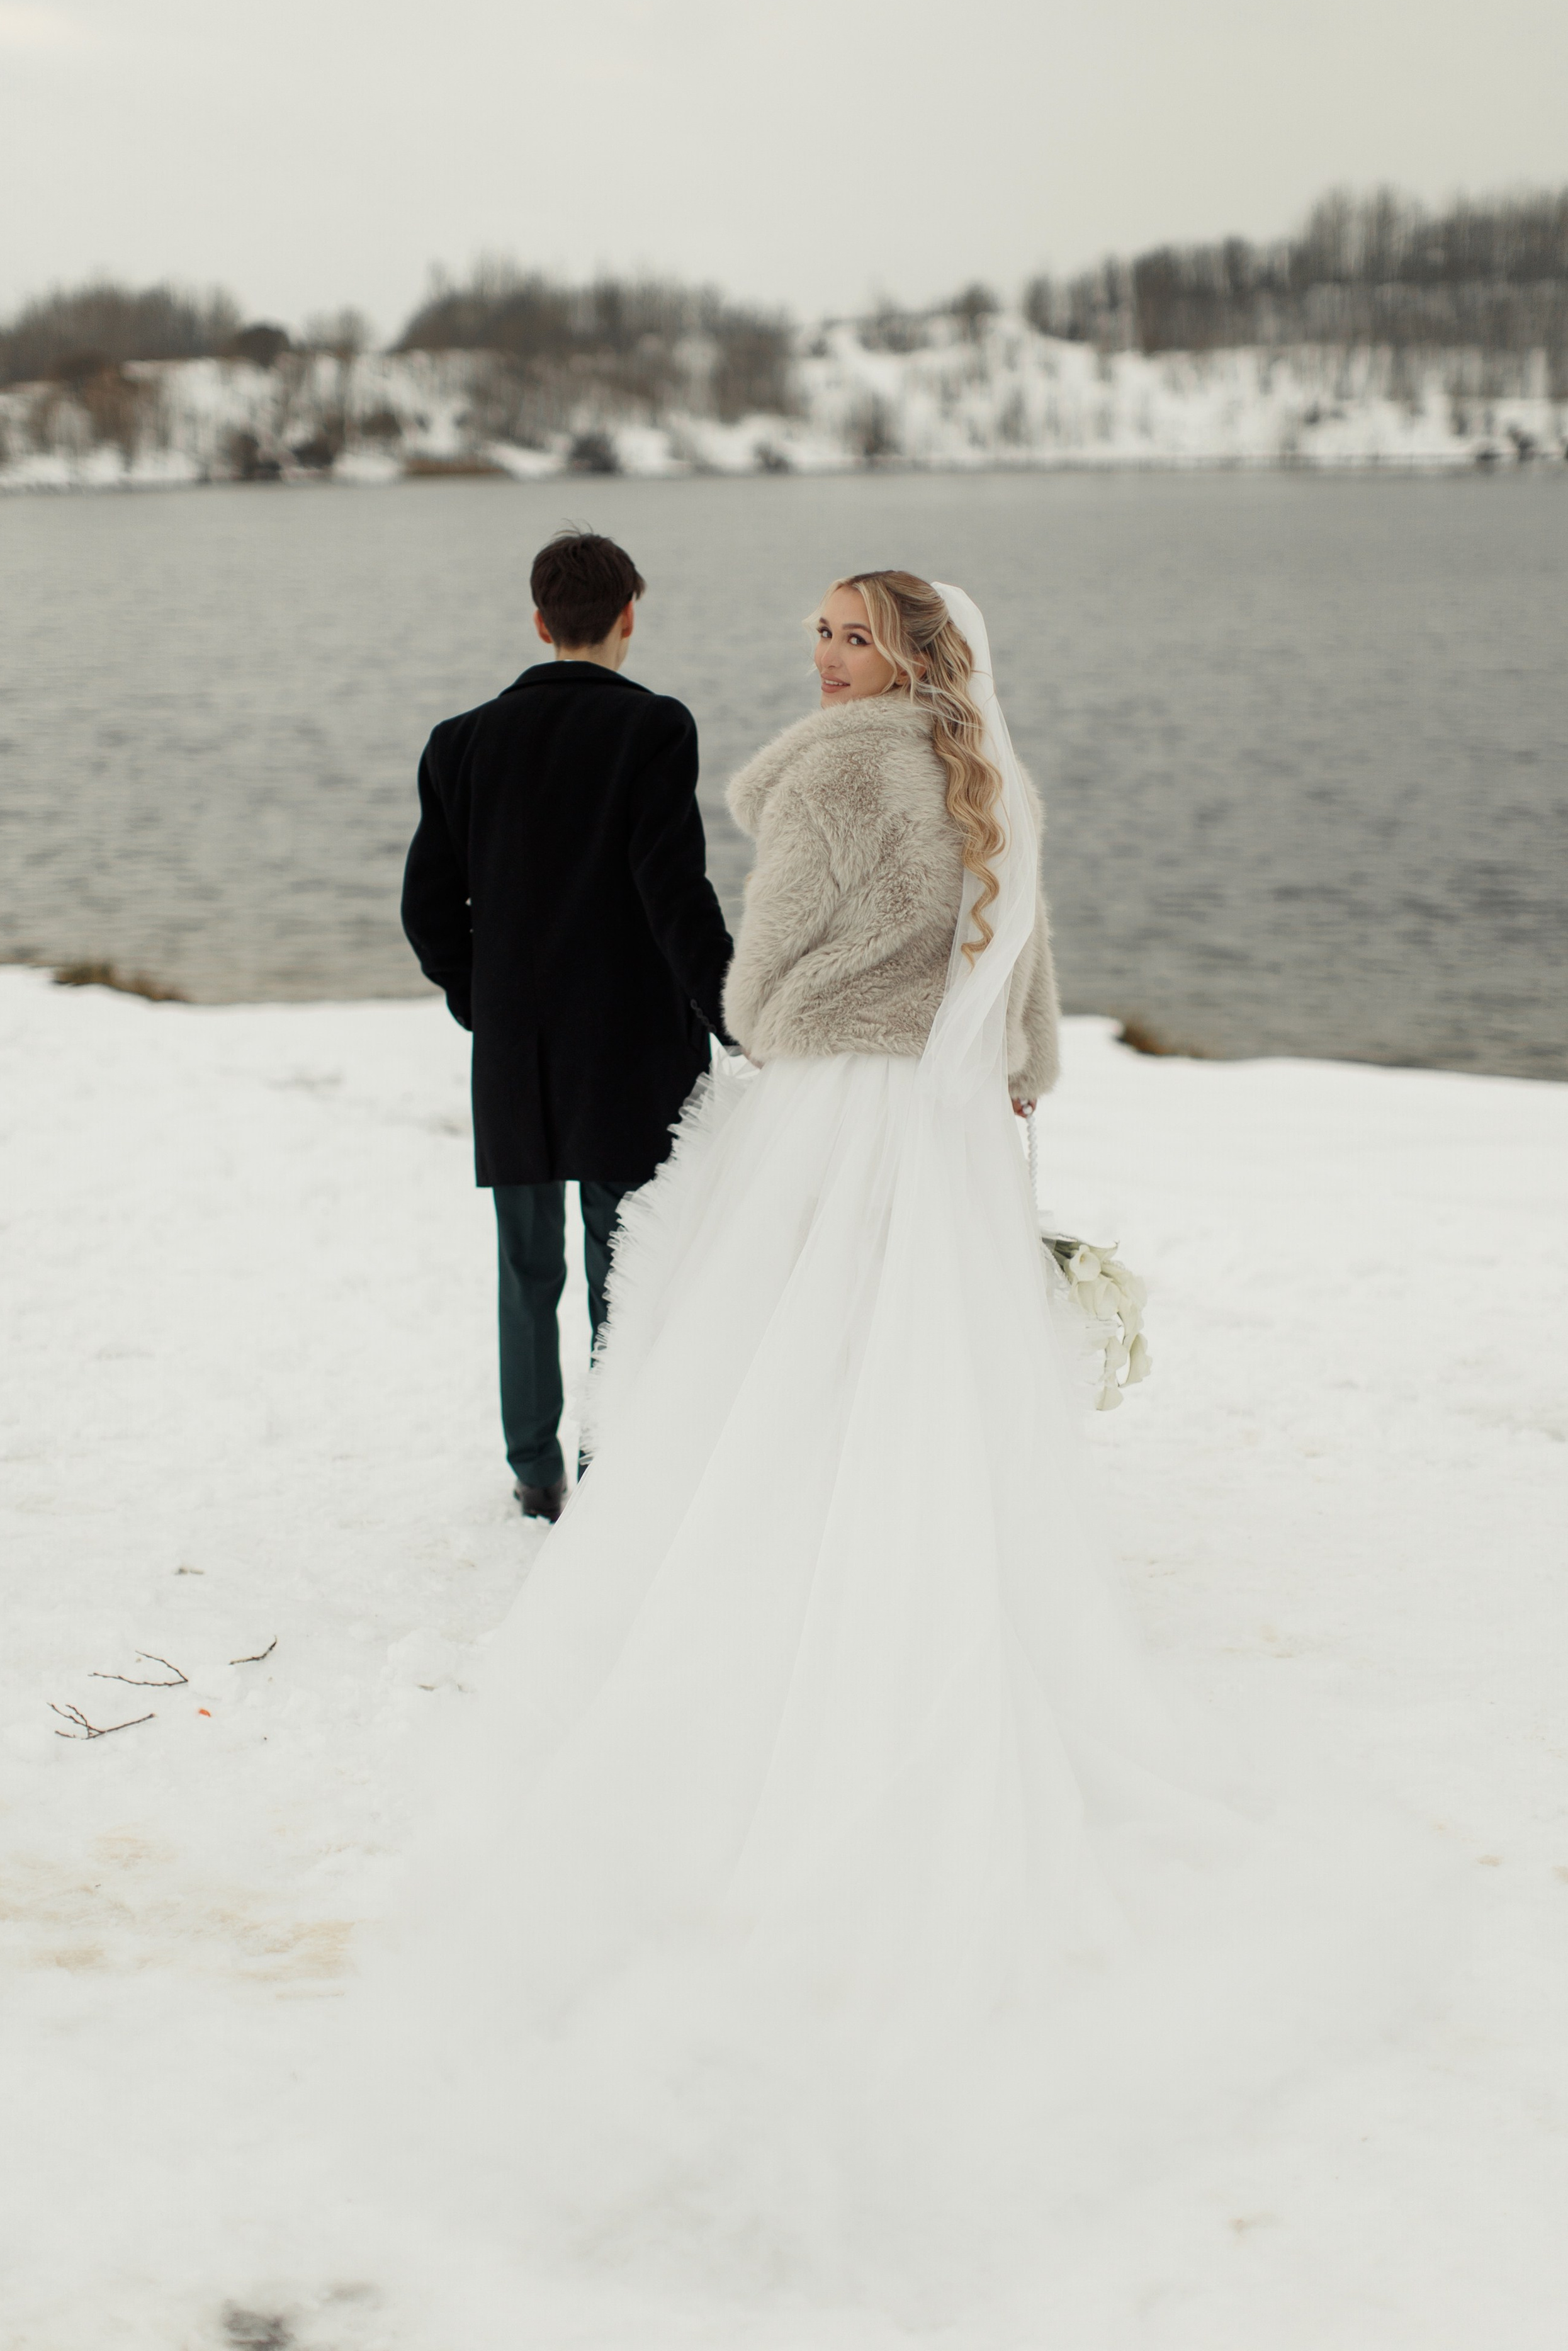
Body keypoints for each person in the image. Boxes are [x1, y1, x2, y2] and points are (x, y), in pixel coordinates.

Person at [379, 574, 1234, 2290]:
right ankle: (921, 1548)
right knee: (915, 1345)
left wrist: (769, 1028)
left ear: (911, 655)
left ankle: (722, 1535)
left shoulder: (836, 771)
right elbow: (1031, 962)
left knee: (774, 1349)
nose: (823, 653)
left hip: (842, 1102)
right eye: (821, 630)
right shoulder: (990, 765)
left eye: (852, 632)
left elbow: (764, 980)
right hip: (955, 1117)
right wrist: (1017, 1074)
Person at [400, 530, 732, 1522]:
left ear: (540, 623)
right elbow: (675, 896)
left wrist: (486, 1007)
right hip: (631, 1050)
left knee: (524, 1265)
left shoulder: (459, 742)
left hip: (517, 1057)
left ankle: (534, 1472)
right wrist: (735, 1016)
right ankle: (611, 1464)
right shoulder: (656, 729)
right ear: (631, 614)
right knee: (621, 1267)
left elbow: (429, 912)